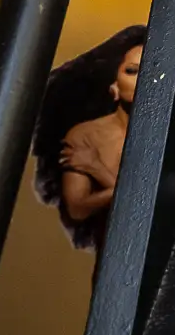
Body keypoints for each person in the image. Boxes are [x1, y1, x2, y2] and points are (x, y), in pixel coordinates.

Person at [32, 26, 145, 257]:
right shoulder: (84, 135)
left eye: (153, 69)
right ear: (114, 82)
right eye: (132, 71)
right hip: (117, 252)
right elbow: (77, 208)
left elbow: (151, 201)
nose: (142, 79)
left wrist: (95, 167)